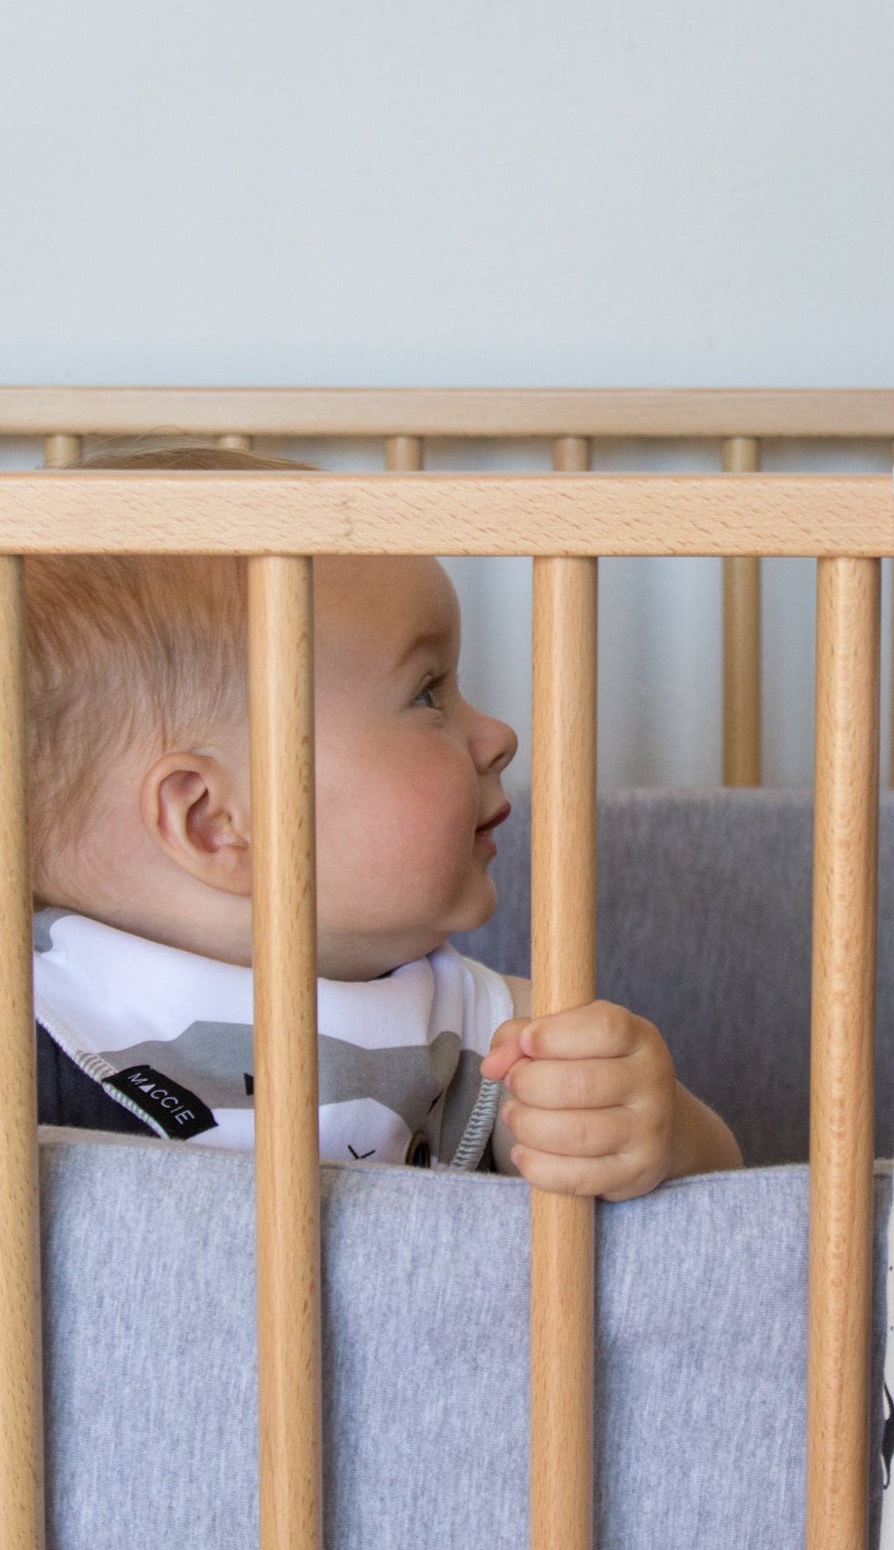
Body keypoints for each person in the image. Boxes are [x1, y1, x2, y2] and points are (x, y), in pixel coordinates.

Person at [26, 445, 741, 1197]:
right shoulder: (40, 1022)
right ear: (214, 822)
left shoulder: (497, 1037)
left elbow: (719, 1210)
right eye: (428, 692)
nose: (500, 734)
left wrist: (659, 1132)